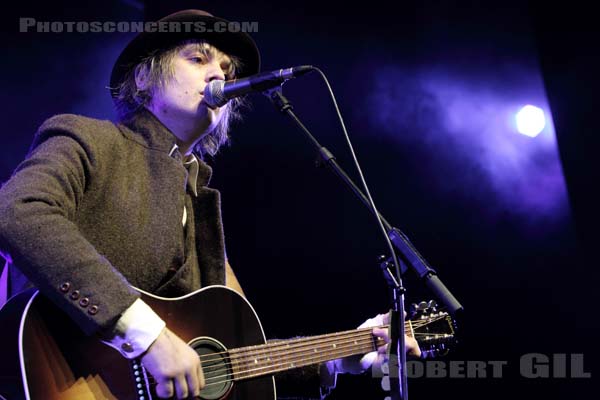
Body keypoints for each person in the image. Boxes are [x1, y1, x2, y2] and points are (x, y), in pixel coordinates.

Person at [0, 9, 420, 399]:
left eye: (226, 68)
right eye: (199, 58)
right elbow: (18, 211)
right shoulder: (89, 141)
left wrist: (339, 355)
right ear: (145, 77)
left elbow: (236, 356)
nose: (219, 73)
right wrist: (145, 335)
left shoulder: (199, 202)